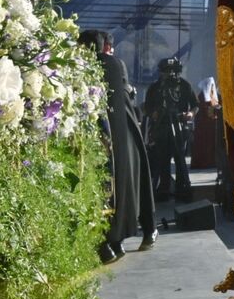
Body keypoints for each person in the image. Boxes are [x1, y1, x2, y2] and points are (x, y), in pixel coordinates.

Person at [80, 30, 155, 261]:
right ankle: (126, 237)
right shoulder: (115, 65)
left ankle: (111, 242)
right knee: (131, 186)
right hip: (127, 134)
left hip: (106, 137)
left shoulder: (91, 65)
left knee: (109, 189)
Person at [143, 57, 194, 202]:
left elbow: (194, 104)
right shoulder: (155, 88)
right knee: (162, 160)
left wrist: (190, 113)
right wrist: (153, 113)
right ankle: (163, 189)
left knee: (180, 159)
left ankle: (181, 188)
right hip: (161, 128)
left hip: (180, 127)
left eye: (173, 71)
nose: (170, 74)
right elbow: (146, 107)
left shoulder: (184, 85)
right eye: (166, 71)